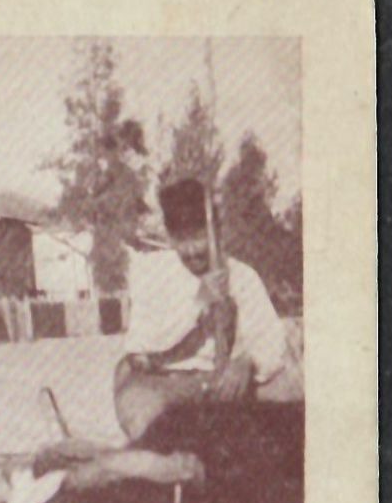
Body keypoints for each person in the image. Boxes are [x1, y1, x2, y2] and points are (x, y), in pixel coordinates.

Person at [114, 178, 301, 441]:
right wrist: (199, 303)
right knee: (142, 409)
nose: (192, 250)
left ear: (217, 232)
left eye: (200, 236)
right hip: (164, 384)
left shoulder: (242, 276)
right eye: (182, 239)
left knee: (292, 395)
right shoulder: (152, 273)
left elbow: (271, 339)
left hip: (224, 387)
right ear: (169, 235)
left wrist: (248, 362)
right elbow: (141, 348)